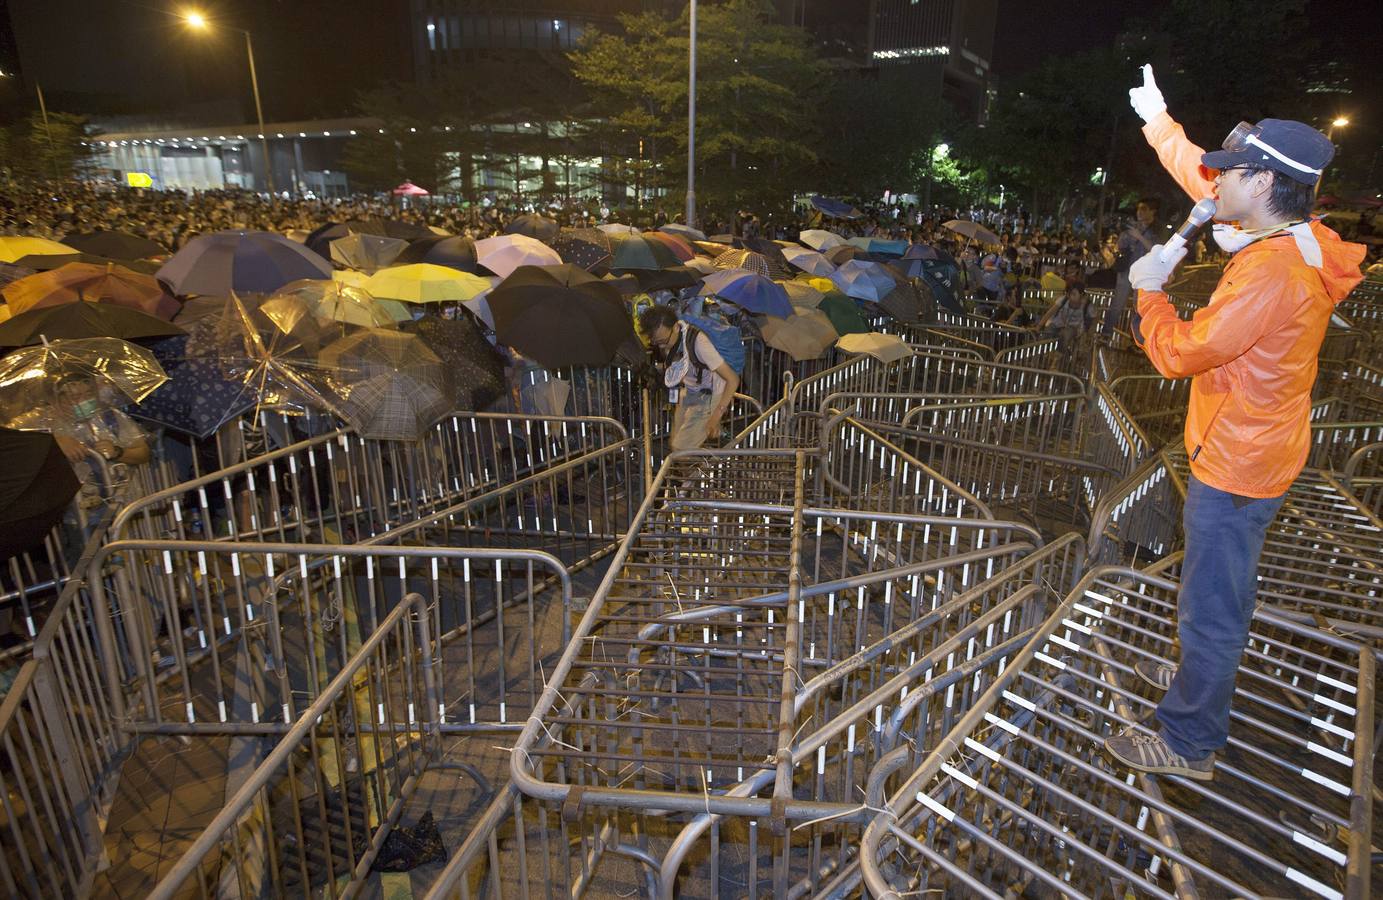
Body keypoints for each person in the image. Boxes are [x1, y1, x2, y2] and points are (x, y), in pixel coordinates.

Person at [1103, 65, 1365, 781]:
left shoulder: (1271, 274)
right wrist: (1158, 123)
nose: (1213, 183)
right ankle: (1197, 679)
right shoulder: (1294, 233)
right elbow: (1199, 176)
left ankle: (1188, 743)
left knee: (1210, 610)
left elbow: (1184, 353)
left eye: (1229, 174)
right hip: (1253, 447)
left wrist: (1148, 297)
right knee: (1212, 589)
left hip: (1237, 463)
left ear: (1261, 183)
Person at [639, 305, 740, 452]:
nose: (661, 346)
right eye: (656, 342)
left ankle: (700, 469)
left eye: (663, 340)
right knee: (675, 443)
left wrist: (716, 415)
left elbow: (732, 379)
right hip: (690, 392)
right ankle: (698, 463)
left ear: (675, 327)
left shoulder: (699, 342)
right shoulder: (669, 341)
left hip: (710, 395)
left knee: (681, 450)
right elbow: (683, 368)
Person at [1102, 196, 1161, 334]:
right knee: (1117, 303)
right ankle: (1106, 332)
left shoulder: (1158, 229)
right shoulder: (1132, 226)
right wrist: (1126, 238)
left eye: (1144, 209)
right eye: (1138, 209)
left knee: (1140, 306)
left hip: (1145, 273)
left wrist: (1139, 237)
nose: (1139, 212)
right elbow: (1120, 245)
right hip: (1127, 270)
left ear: (1153, 211)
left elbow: (1158, 250)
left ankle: (1137, 340)